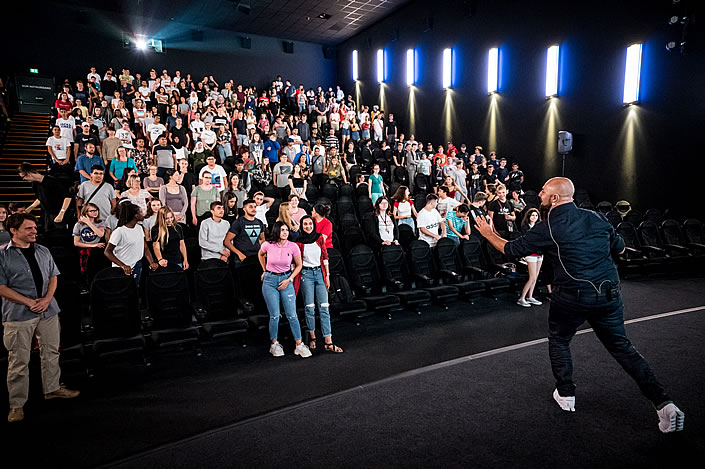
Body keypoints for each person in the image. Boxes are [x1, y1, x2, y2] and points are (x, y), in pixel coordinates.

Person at [473, 177, 685, 432]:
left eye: (543, 191)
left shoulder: (548, 226)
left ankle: (566, 394)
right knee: (623, 348)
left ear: (554, 198)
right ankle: (665, 405)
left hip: (572, 296)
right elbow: (619, 250)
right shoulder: (597, 218)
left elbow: (510, 250)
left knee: (560, 340)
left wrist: (488, 233)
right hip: (609, 293)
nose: (538, 194)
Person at [1, 214, 80, 423]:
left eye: (35, 227)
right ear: (14, 231)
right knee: (18, 360)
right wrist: (29, 302)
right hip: (18, 315)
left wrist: (46, 299)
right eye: (29, 228)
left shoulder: (43, 250)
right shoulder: (2, 255)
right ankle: (16, 405)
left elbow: (53, 276)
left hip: (48, 310)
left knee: (51, 351)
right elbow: (1, 288)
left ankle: (52, 388)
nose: (35, 231)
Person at [257, 221, 311, 358]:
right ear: (276, 231)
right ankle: (274, 343)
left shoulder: (293, 246)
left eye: (287, 230)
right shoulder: (267, 245)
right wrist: (264, 270)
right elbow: (260, 254)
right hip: (270, 281)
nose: (285, 232)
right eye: (282, 230)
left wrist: (290, 279)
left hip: (286, 280)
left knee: (292, 314)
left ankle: (299, 344)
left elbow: (299, 265)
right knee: (275, 315)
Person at [294, 215, 343, 353]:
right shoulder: (298, 242)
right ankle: (313, 337)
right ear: (302, 226)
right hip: (306, 275)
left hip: (320, 274)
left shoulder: (320, 238)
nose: (308, 226)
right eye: (305, 224)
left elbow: (325, 256)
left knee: (324, 307)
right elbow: (296, 263)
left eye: (310, 224)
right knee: (310, 307)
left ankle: (328, 341)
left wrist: (327, 275)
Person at [104, 201, 157, 287]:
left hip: (137, 265)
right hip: (122, 269)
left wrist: (151, 262)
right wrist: (123, 265)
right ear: (135, 215)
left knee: (135, 290)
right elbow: (107, 252)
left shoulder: (139, 228)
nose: (143, 214)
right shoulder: (119, 231)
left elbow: (145, 248)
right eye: (140, 212)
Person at [516, 208, 544, 307]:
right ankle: (522, 298)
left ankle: (530, 296)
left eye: (536, 215)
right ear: (528, 216)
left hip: (540, 253)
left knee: (535, 277)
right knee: (531, 277)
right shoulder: (525, 227)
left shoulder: (539, 227)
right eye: (532, 215)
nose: (534, 217)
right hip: (530, 254)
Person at [72, 203, 106, 286]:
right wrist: (93, 245)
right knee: (86, 272)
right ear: (86, 212)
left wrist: (89, 223)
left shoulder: (100, 222)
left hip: (98, 251)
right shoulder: (78, 225)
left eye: (96, 210)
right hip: (85, 250)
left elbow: (100, 234)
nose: (95, 212)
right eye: (92, 211)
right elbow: (76, 243)